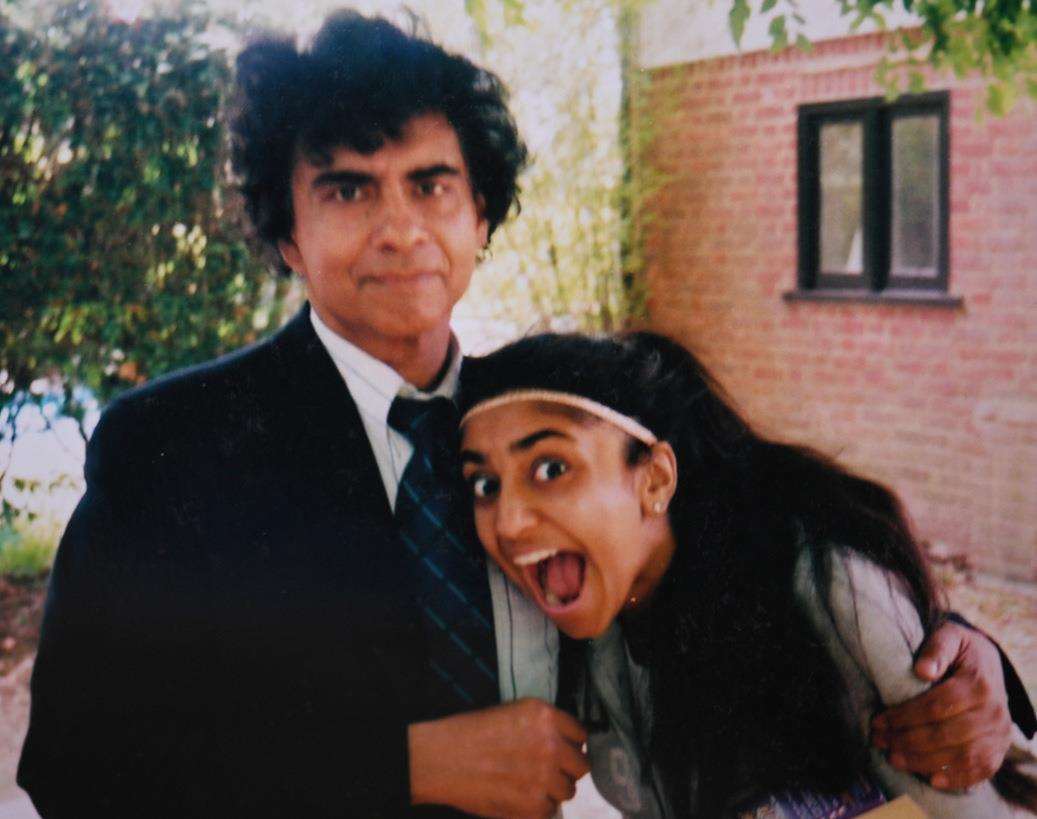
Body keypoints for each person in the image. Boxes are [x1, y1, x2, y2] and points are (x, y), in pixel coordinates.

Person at [16, 10, 1031, 819]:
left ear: (481, 217)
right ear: (285, 234)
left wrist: (963, 666)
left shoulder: (541, 431)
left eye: (431, 185)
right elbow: (76, 765)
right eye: (346, 190)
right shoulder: (174, 449)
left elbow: (746, 543)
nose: (400, 229)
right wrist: (397, 764)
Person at [457, 331, 1037, 818]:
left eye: (551, 468)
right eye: (485, 484)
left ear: (655, 479)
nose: (508, 521)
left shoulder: (823, 586)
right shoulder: (578, 627)